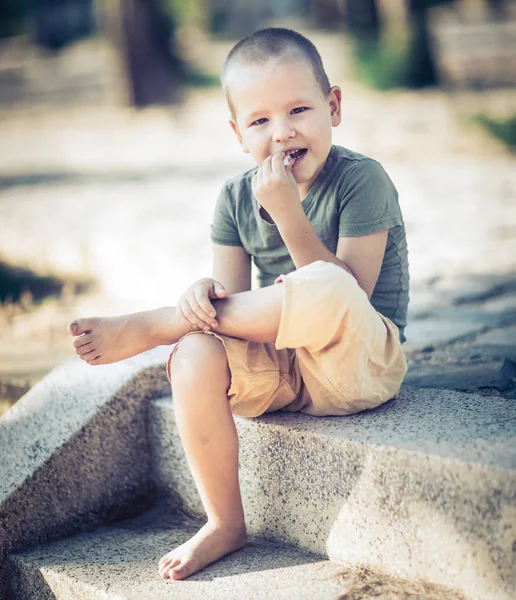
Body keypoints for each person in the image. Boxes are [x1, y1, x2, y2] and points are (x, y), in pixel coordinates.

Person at [68, 27, 409, 581]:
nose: (282, 133)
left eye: (299, 109)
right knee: (198, 348)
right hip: (283, 369)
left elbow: (352, 294)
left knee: (329, 286)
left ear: (334, 106)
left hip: (360, 362)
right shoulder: (232, 199)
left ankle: (160, 325)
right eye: (259, 121)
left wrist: (287, 215)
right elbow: (231, 312)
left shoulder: (362, 180)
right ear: (237, 133)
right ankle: (224, 521)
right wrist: (201, 300)